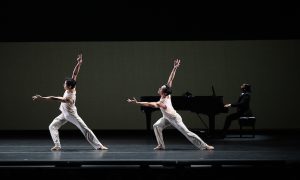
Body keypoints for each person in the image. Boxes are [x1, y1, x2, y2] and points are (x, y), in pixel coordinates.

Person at [127, 59, 214, 150]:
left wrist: (137, 102)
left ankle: (205, 146)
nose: (160, 87)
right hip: (166, 118)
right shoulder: (167, 95)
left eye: (161, 88)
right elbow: (171, 79)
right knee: (156, 126)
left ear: (164, 93)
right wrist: (174, 68)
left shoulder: (163, 102)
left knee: (187, 133)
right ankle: (161, 145)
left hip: (175, 119)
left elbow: (150, 104)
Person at [32, 53, 108, 151]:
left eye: (65, 84)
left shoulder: (70, 96)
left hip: (71, 114)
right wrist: (79, 63)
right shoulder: (72, 87)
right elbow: (75, 73)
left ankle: (99, 146)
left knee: (85, 129)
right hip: (64, 113)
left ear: (70, 86)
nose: (64, 84)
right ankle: (57, 145)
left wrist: (42, 98)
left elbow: (54, 98)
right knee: (52, 126)